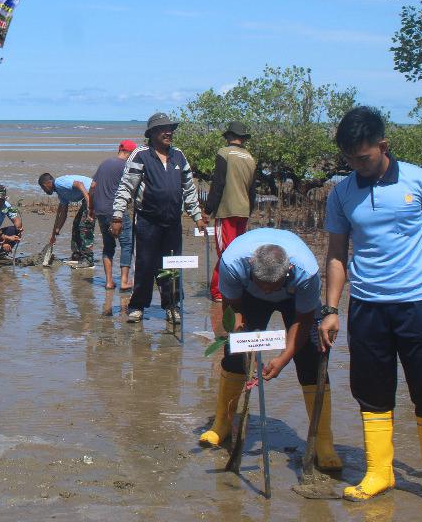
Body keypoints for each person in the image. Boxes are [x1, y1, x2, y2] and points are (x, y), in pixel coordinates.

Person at [318, 106, 422, 515]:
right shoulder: (342, 193)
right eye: (349, 159)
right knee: (371, 392)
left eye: (363, 157)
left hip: (420, 304)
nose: (356, 166)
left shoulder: (421, 181)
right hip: (368, 308)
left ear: (383, 146)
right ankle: (378, 472)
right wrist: (330, 309)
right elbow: (337, 253)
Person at [197, 229, 341, 473]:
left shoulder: (305, 272)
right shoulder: (232, 263)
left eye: (272, 286)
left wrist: (283, 359)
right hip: (247, 298)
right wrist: (243, 341)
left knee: (311, 359)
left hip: (293, 299)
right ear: (251, 266)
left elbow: (303, 321)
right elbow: (233, 308)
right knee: (234, 355)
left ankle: (323, 441)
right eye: (262, 285)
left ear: (288, 273)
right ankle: (222, 424)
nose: (267, 291)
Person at [111, 112, 209, 325]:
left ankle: (172, 306)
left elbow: (189, 189)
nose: (169, 132)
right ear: (152, 133)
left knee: (172, 266)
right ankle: (137, 306)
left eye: (171, 129)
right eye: (164, 129)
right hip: (147, 221)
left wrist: (197, 216)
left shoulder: (178, 156)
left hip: (172, 222)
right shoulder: (141, 154)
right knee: (145, 265)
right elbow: (126, 187)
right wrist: (117, 216)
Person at [205, 121, 257, 336]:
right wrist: (249, 208)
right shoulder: (251, 158)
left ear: (229, 137)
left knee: (225, 254)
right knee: (237, 252)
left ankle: (219, 291)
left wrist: (209, 208)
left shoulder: (224, 153)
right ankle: (234, 289)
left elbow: (218, 183)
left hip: (226, 210)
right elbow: (253, 189)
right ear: (243, 138)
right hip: (243, 211)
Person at [92, 140, 136, 292]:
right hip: (116, 211)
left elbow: (93, 186)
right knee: (127, 244)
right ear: (130, 154)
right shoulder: (127, 166)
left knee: (108, 246)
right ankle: (124, 281)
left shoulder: (105, 163)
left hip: (100, 210)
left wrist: (91, 209)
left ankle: (109, 281)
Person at [38, 172, 95, 268]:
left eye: (43, 188)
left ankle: (88, 260)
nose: (44, 191)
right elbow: (64, 213)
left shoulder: (59, 183)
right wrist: (57, 230)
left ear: (47, 183)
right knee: (76, 224)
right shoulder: (61, 194)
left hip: (94, 193)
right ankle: (78, 255)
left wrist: (89, 204)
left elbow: (79, 184)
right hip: (88, 197)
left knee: (85, 226)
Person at [0, 184, 23, 263]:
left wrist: (19, 229)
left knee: (15, 230)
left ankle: (3, 255)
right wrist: (3, 242)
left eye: (1, 200)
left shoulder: (6, 206)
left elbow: (17, 220)